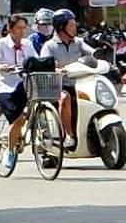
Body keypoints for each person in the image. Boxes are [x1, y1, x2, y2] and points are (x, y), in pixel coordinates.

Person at [0, 15, 39, 169]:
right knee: (17, 118)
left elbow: (35, 60)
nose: (22, 31)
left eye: (24, 28)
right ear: (10, 28)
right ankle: (10, 150)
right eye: (18, 28)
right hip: (5, 87)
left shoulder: (28, 44)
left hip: (23, 85)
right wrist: (1, 67)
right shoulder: (1, 44)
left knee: (34, 107)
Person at [39, 10, 94, 151]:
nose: (75, 28)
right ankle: (68, 135)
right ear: (61, 27)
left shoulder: (79, 43)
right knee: (65, 97)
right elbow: (46, 65)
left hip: (78, 84)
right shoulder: (49, 46)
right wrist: (58, 70)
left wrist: (101, 57)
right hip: (56, 86)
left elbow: (92, 54)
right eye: (71, 26)